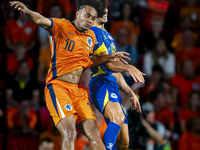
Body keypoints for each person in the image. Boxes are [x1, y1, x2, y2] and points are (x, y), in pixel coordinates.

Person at [10, 1, 136, 150]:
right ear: (77, 14)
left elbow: (94, 60)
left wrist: (109, 57)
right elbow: (39, 19)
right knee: (70, 132)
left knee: (94, 132)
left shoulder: (91, 37)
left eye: (92, 17)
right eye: (87, 16)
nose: (89, 20)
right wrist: (26, 11)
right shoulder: (62, 26)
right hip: (59, 87)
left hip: (77, 90)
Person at [89, 8, 144, 150]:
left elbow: (116, 72)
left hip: (112, 84)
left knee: (124, 142)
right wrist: (128, 67)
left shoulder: (109, 36)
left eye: (107, 8)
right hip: (101, 83)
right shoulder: (94, 34)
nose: (106, 10)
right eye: (102, 8)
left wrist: (130, 93)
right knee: (117, 119)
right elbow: (108, 64)